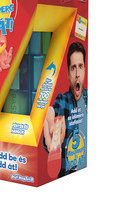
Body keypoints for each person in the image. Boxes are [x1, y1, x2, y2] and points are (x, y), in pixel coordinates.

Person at [43, 41, 87, 176]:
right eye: (73, 68)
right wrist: (48, 116)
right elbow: (52, 111)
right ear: (68, 74)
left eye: (80, 66)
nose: (77, 73)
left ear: (85, 70)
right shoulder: (63, 101)